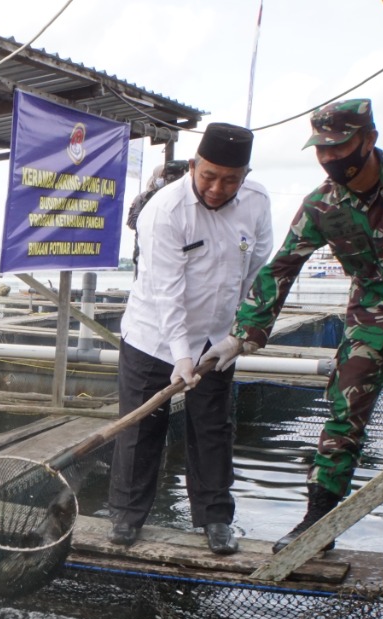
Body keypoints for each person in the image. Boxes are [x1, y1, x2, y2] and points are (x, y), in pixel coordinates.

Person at [206, 99, 383, 554]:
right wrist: (244, 333)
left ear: (368, 140)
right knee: (343, 414)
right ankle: (318, 522)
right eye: (322, 150)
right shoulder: (322, 204)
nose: (330, 158)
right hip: (373, 315)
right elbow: (281, 267)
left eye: (340, 147)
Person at [108, 123, 273, 555]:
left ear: (245, 174)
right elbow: (166, 292)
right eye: (209, 176)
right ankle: (126, 515)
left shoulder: (256, 203)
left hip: (216, 338)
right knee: (143, 427)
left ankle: (216, 517)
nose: (218, 188)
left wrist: (238, 334)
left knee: (213, 426)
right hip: (153, 336)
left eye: (230, 179)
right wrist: (181, 357)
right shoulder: (164, 210)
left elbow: (257, 269)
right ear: (194, 166)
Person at [127, 159, 190, 277]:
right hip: (145, 250)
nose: (166, 179)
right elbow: (131, 222)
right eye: (163, 176)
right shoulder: (143, 198)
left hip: (173, 253)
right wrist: (152, 218)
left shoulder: (180, 196)